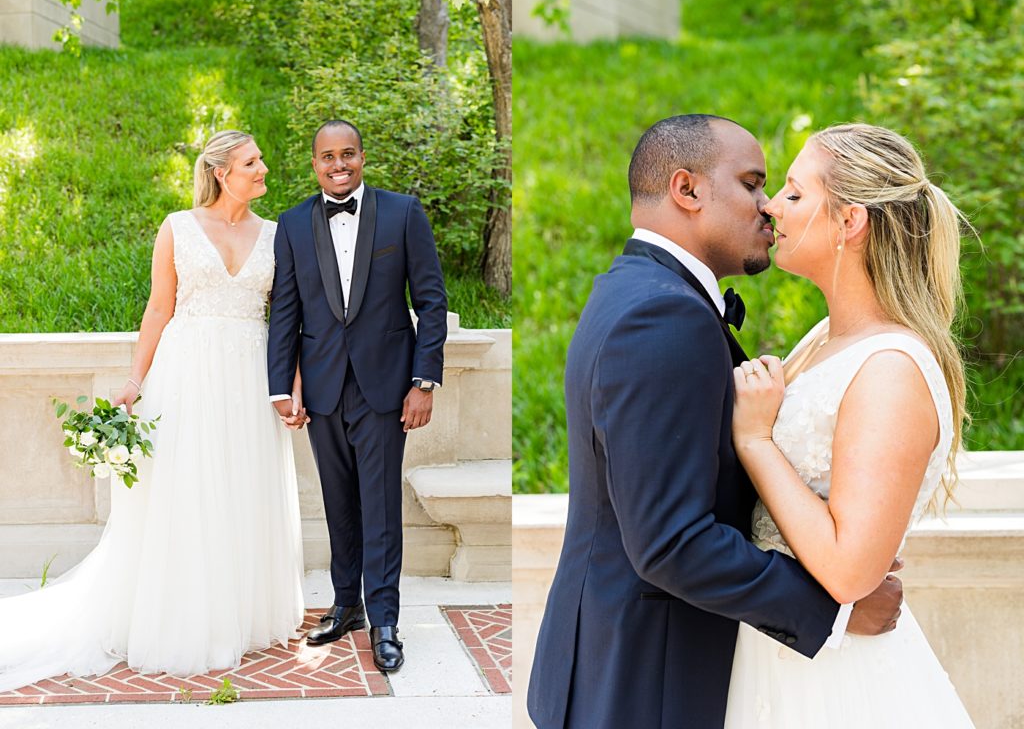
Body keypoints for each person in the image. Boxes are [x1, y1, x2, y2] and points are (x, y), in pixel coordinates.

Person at [527, 114, 904, 729]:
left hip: (621, 668)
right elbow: (671, 542)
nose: (769, 208)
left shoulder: (636, 292)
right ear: (688, 190)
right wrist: (832, 611)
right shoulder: (663, 317)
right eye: (753, 183)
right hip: (643, 684)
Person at [0, 130, 305, 691]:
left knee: (240, 489)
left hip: (248, 374)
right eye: (251, 161)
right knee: (187, 492)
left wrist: (292, 385)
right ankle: (183, 618)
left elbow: (288, 319)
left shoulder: (278, 236)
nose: (264, 168)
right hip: (186, 374)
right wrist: (134, 381)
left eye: (260, 159)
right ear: (221, 172)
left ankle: (237, 613)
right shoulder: (178, 228)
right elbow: (158, 309)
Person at [725, 123, 975, 726]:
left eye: (793, 193)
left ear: (849, 222)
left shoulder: (891, 367)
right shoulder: (826, 340)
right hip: (777, 650)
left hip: (834, 682)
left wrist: (756, 440)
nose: (770, 206)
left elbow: (848, 570)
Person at [266, 119, 447, 672]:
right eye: (327, 157)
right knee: (338, 502)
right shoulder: (293, 224)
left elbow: (432, 302)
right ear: (314, 162)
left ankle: (386, 620)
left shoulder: (402, 213)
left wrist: (423, 381)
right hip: (321, 390)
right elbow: (286, 313)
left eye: (348, 155)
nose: (338, 165)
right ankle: (347, 606)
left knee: (381, 506)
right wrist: (281, 386)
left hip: (387, 389)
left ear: (363, 157)